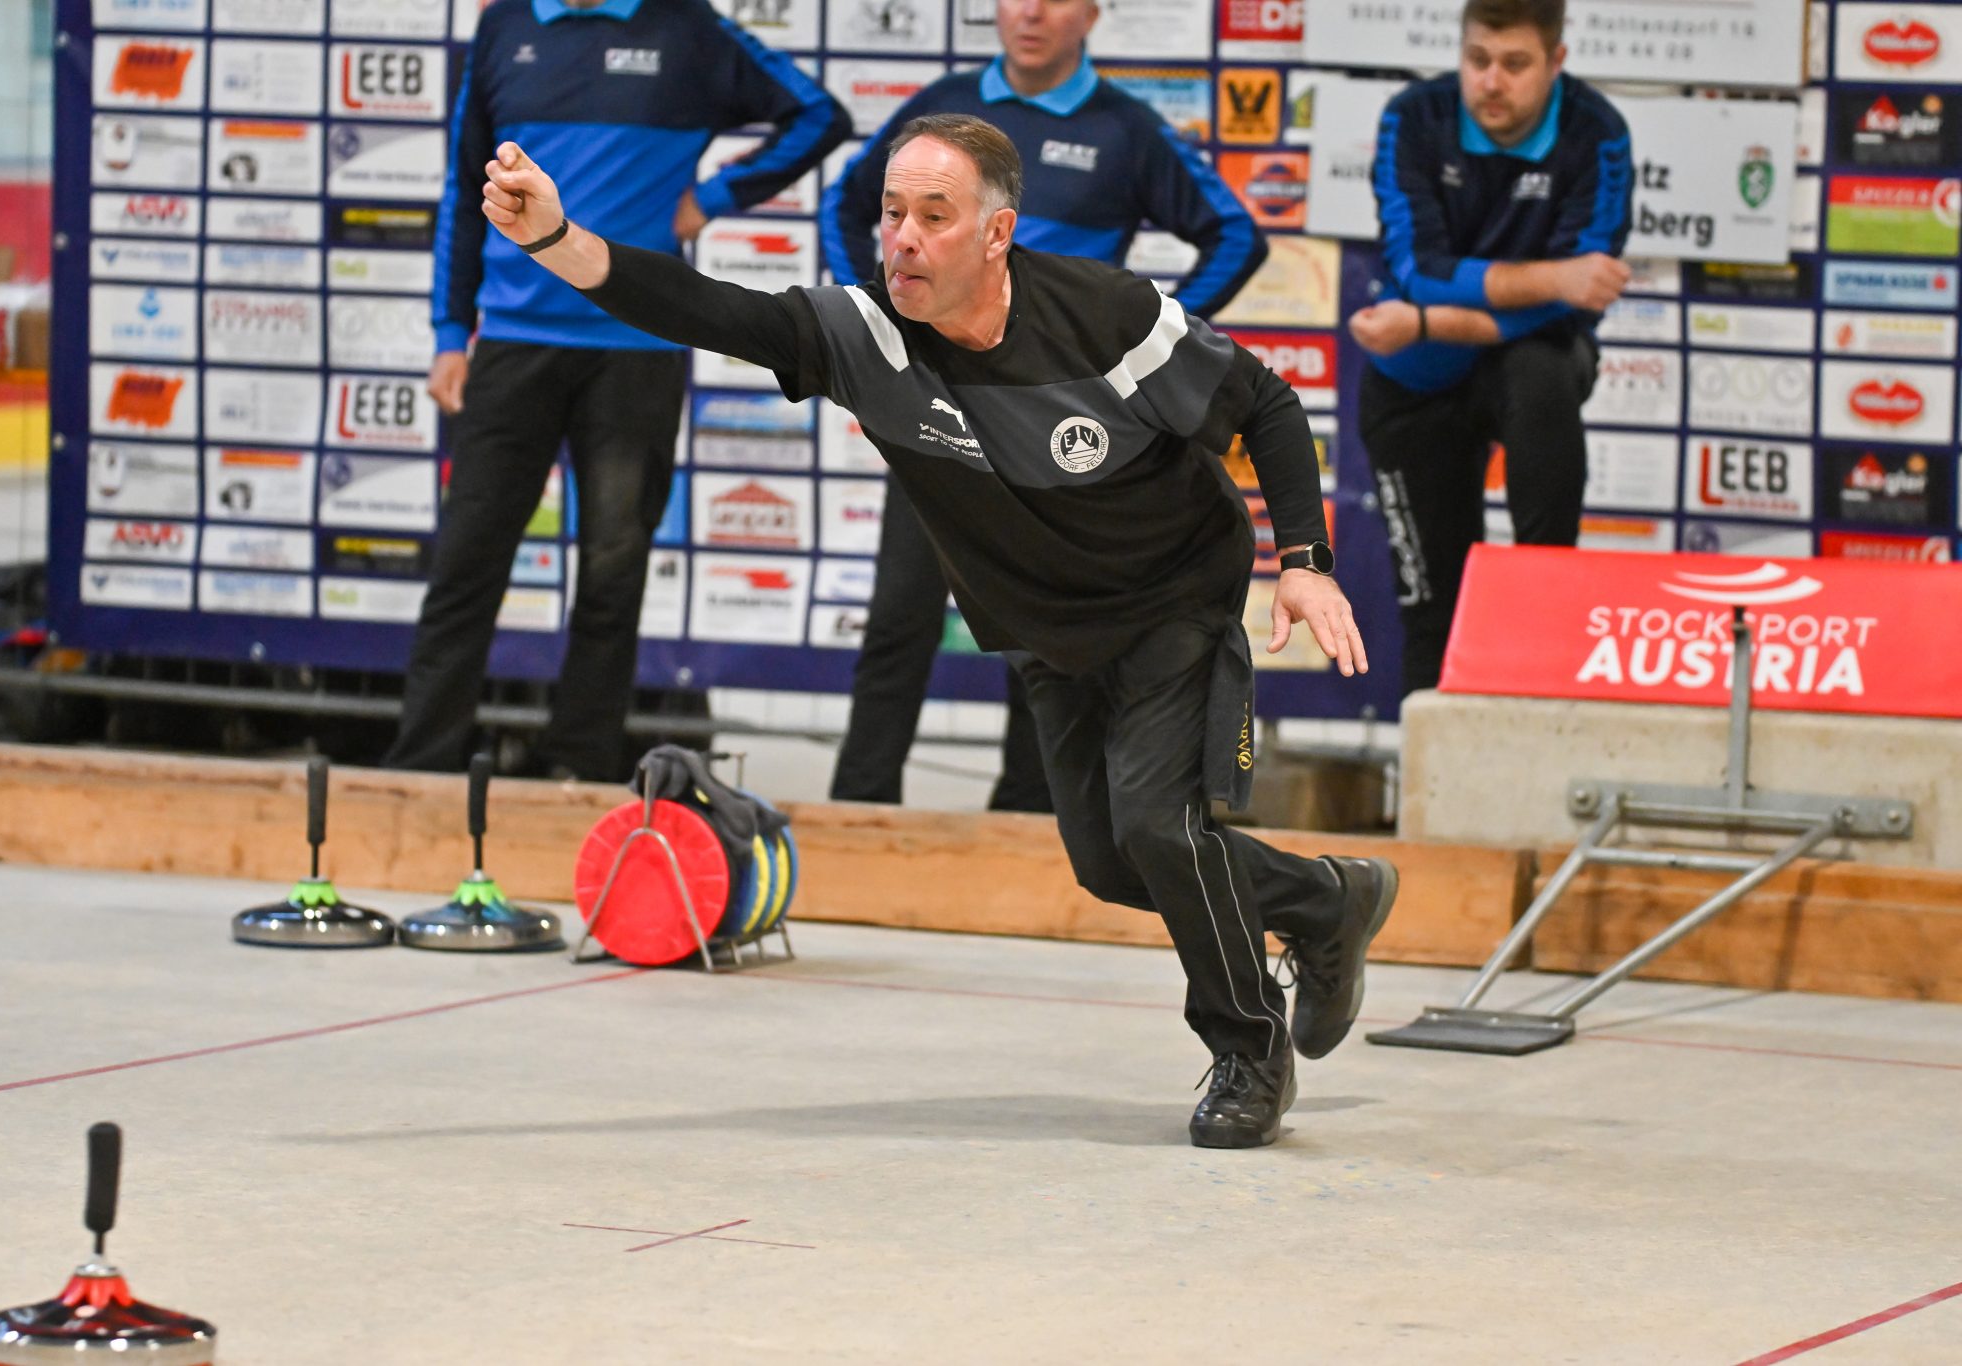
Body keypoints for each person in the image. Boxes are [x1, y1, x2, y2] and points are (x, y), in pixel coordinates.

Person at [480, 114, 1399, 1150]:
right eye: (889, 213)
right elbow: (705, 308)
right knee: (1108, 862)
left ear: (996, 234)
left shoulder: (1107, 315)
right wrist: (558, 238)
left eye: (933, 215)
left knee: (1158, 825)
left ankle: (1245, 1051)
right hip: (1048, 632)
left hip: (1170, 600)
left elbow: (1266, 406)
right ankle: (1325, 901)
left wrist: (1307, 566)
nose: (902, 237)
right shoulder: (866, 339)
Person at [385, 0, 850, 781]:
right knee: (467, 564)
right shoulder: (507, 24)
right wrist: (446, 334)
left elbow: (818, 114)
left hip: (636, 348)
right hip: (511, 344)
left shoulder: (688, 27)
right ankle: (422, 765)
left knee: (612, 573)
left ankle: (581, 766)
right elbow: (467, 186)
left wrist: (716, 198)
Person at [821, 0, 1266, 813]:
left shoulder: (1126, 128)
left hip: (1060, 437)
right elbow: (846, 207)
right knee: (898, 615)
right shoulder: (940, 115)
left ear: (1094, 12)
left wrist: (1134, 361)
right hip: (941, 417)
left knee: (1047, 638)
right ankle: (859, 804)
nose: (1029, 10)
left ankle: (1028, 815)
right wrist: (881, 325)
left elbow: (1236, 235)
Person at [1348, 0, 1632, 697]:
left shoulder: (1597, 132)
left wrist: (1428, 321)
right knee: (1432, 616)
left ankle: (1538, 757)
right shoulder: (1415, 115)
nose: (1491, 82)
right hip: (1414, 379)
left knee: (1542, 585)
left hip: (1530, 361)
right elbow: (1419, 269)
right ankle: (1432, 802)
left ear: (1556, 62)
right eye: (1477, 60)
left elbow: (1582, 292)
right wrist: (1546, 280)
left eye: (1515, 64)